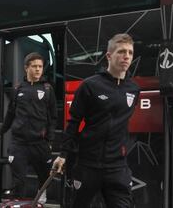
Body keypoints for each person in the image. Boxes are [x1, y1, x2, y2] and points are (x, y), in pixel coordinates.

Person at [52, 33, 140, 208]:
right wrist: (63, 155)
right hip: (88, 164)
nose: (127, 57)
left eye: (130, 52)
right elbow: (74, 123)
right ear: (109, 56)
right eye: (122, 52)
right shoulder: (90, 85)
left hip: (117, 166)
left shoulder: (134, 89)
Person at [0, 52, 57, 203]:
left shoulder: (47, 89)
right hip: (19, 143)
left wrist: (50, 140)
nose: (38, 69)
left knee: (44, 177)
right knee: (19, 180)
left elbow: (53, 118)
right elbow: (10, 114)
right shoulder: (18, 88)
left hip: (40, 143)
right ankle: (17, 202)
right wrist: (0, 133)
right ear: (26, 68)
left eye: (40, 66)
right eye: (34, 66)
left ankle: (40, 201)